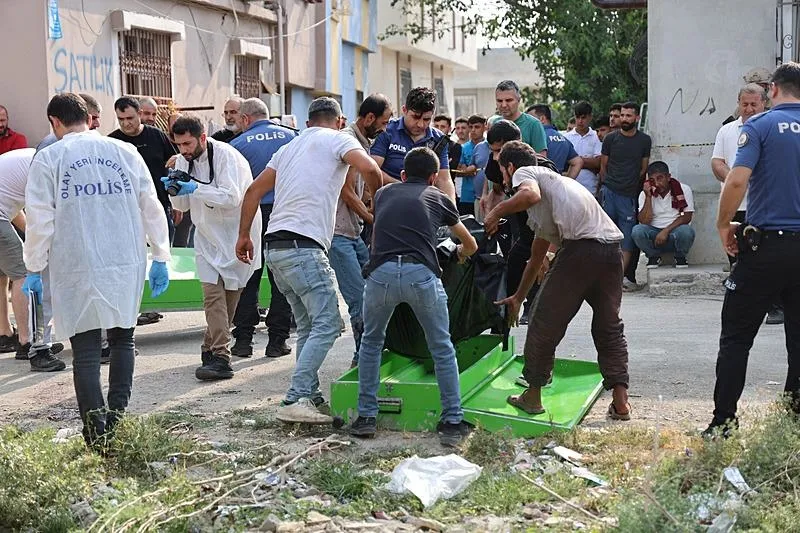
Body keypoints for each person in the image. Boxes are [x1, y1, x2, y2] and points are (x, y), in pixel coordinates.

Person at [24, 93, 171, 446]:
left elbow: (40, 218)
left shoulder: (50, 158)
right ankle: (118, 420)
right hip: (124, 259)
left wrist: (33, 266)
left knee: (87, 350)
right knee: (123, 339)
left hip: (76, 263)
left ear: (54, 122)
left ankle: (96, 432)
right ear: (90, 118)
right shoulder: (124, 152)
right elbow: (150, 205)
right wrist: (161, 256)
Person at [236, 97, 383, 423]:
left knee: (307, 325)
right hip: (304, 248)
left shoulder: (289, 147)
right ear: (339, 119)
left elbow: (252, 192)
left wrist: (244, 235)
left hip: (274, 247)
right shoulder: (339, 139)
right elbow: (371, 168)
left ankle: (311, 396)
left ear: (308, 121)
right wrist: (377, 203)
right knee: (329, 323)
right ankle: (295, 397)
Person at [349, 147, 478, 446]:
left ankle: (366, 417)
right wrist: (460, 253)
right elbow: (469, 242)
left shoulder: (382, 195)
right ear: (434, 178)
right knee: (442, 348)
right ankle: (452, 421)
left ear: (403, 174)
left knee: (371, 343)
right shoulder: (438, 197)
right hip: (420, 276)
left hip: (379, 276)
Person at [493, 141, 630, 420]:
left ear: (509, 167)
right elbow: (536, 256)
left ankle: (532, 396)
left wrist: (496, 212)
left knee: (544, 321)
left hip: (581, 250)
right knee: (608, 325)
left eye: (503, 172)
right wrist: (519, 297)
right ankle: (621, 402)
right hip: (611, 251)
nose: (505, 180)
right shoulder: (556, 188)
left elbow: (528, 195)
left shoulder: (527, 174)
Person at [704, 62, 800, 438]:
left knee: (736, 339)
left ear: (772, 90)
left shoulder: (758, 126)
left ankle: (724, 422)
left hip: (766, 248)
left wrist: (723, 224)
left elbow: (737, 179)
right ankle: (794, 420)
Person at [167, 115, 261, 381]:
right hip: (207, 238)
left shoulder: (227, 157)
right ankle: (221, 357)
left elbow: (231, 198)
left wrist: (194, 187)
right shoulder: (184, 160)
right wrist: (174, 191)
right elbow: (182, 208)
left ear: (202, 137)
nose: (183, 151)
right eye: (179, 145)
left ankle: (208, 347)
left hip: (238, 235)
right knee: (212, 297)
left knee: (229, 302)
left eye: (187, 144)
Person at [229, 98, 297, 359]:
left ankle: (243, 340)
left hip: (253, 213)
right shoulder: (294, 137)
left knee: (248, 275)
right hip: (285, 214)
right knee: (282, 278)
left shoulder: (237, 145)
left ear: (246, 119)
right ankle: (277, 341)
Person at [330, 94, 393, 368]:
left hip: (353, 232)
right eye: (383, 122)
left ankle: (369, 355)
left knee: (374, 295)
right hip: (339, 233)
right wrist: (373, 219)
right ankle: (363, 359)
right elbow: (346, 192)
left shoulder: (362, 142)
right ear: (369, 118)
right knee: (359, 300)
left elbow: (360, 189)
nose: (385, 128)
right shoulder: (348, 141)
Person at [712, 83, 782, 325]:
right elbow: (717, 163)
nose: (749, 109)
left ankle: (775, 307)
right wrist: (734, 176)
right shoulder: (727, 131)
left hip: (763, 207)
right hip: (735, 206)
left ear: (765, 103)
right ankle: (744, 307)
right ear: (738, 104)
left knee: (765, 259)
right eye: (745, 104)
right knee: (738, 260)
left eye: (754, 104)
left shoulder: (773, 130)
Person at [0, 148, 65, 370]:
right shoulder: (44, 166)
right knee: (23, 274)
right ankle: (27, 342)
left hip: (2, 214)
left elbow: (13, 207)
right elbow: (41, 213)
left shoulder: (29, 159)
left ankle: (4, 333)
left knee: (2, 275)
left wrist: (30, 236)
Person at [109, 96, 178, 247]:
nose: (126, 123)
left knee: (163, 252)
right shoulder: (112, 142)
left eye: (130, 118)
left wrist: (176, 201)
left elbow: (174, 164)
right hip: (127, 210)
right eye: (121, 119)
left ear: (139, 114)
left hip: (159, 204)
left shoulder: (157, 135)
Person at [599, 102, 652, 290]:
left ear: (637, 118)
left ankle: (617, 280)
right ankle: (604, 280)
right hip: (609, 193)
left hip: (629, 196)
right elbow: (603, 167)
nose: (624, 119)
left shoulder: (644, 141)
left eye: (629, 116)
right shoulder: (610, 139)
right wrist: (607, 186)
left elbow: (643, 168)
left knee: (627, 241)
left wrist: (631, 185)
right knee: (605, 238)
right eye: (622, 115)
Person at [371, 87, 455, 201]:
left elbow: (444, 180)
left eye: (426, 119)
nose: (420, 124)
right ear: (404, 110)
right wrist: (406, 187)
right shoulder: (386, 130)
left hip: (423, 204)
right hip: (388, 201)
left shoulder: (438, 139)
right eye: (415, 117)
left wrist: (453, 212)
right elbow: (373, 170)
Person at [632, 161, 695, 268]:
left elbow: (686, 217)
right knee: (637, 231)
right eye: (652, 180)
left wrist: (666, 231)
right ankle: (653, 256)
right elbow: (644, 221)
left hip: (675, 233)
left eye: (660, 178)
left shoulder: (683, 189)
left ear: (668, 177)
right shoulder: (645, 194)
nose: (656, 184)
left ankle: (680, 257)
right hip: (654, 235)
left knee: (687, 231)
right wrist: (648, 197)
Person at [493, 80, 547, 155]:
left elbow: (542, 159)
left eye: (509, 100)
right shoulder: (495, 123)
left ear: (519, 100)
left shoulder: (533, 124)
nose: (504, 105)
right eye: (499, 101)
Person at [529, 104, 582, 177]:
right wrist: (566, 182)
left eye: (530, 118)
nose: (527, 122)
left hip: (537, 183)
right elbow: (578, 162)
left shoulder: (536, 136)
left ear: (542, 119)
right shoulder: (563, 138)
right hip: (556, 184)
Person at [565, 101, 604, 194]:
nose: (580, 121)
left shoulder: (596, 136)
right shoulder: (566, 137)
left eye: (583, 118)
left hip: (590, 189)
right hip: (570, 188)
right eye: (577, 117)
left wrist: (574, 161)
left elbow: (598, 163)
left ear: (590, 117)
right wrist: (587, 162)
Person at [461, 114, 489, 220]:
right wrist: (466, 170)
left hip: (486, 194)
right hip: (468, 194)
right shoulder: (464, 147)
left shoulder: (491, 145)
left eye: (477, 127)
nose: (473, 130)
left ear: (485, 127)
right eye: (471, 127)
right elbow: (462, 168)